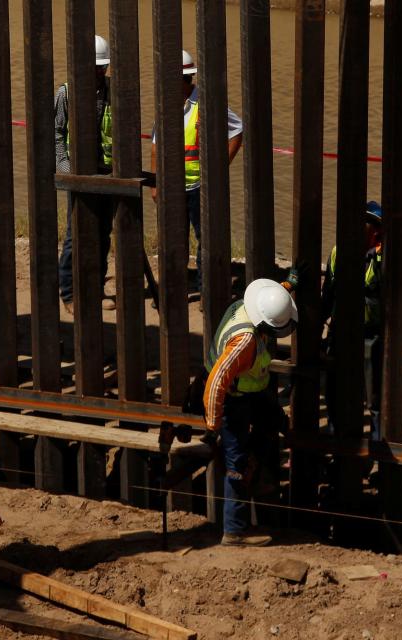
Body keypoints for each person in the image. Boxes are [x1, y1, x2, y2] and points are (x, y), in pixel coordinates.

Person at [202, 274, 300, 546]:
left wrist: (289, 284)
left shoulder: (246, 306)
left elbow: (271, 300)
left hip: (253, 391)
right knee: (237, 464)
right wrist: (213, 425)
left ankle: (260, 469)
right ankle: (234, 531)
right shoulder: (244, 342)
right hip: (235, 400)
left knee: (275, 422)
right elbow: (217, 379)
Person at [320, 201, 402, 439]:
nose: (374, 232)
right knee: (337, 399)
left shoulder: (384, 259)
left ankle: (379, 455)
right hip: (341, 335)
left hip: (372, 340)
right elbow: (328, 295)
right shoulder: (338, 252)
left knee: (377, 402)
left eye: (375, 228)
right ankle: (342, 457)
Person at [150, 49, 243, 298]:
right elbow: (156, 144)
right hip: (173, 186)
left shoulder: (207, 102)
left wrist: (220, 168)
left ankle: (205, 291)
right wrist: (156, 183)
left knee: (206, 240)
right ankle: (175, 289)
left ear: (183, 78)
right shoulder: (166, 103)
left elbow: (237, 132)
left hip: (201, 186)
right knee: (174, 239)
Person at [57, 35, 115, 313]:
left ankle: (96, 288)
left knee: (103, 234)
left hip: (107, 174)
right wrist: (66, 169)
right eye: (95, 67)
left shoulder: (113, 91)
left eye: (102, 67)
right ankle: (68, 292)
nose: (100, 72)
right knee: (75, 234)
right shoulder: (66, 93)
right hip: (78, 175)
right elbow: (56, 134)